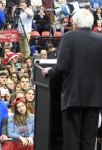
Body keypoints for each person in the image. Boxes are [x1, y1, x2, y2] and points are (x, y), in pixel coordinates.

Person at [42, 9, 102, 150]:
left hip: (73, 98)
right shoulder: (101, 40)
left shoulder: (69, 37)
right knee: (88, 141)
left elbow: (62, 66)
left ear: (75, 23)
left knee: (72, 140)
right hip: (95, 98)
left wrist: (48, 72)